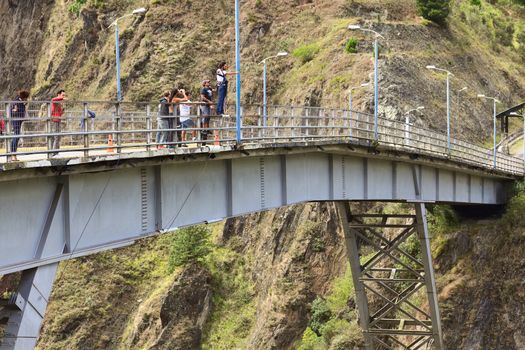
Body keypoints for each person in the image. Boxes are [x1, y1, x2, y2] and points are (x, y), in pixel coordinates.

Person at [10, 90, 30, 161]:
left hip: (19, 121)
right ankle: (12, 155)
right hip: (16, 121)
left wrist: (25, 105)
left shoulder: (20, 101)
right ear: (23, 97)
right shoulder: (16, 101)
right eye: (26, 97)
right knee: (16, 137)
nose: (26, 99)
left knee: (17, 137)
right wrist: (15, 111)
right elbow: (11, 112)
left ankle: (13, 155)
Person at [51, 90, 66, 155]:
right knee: (56, 136)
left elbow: (60, 113)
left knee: (58, 136)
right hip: (54, 120)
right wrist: (63, 98)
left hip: (58, 120)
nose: (63, 96)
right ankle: (54, 152)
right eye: (62, 95)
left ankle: (57, 151)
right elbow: (53, 99)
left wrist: (62, 110)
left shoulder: (59, 103)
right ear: (58, 94)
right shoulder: (55, 101)